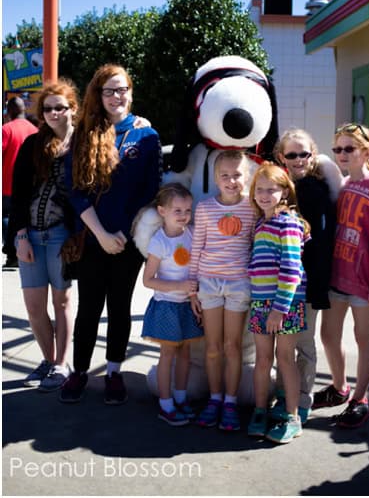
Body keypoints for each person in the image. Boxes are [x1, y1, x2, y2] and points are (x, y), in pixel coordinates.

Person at [60, 64, 162, 404]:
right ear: (98, 96)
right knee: (89, 308)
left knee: (119, 307)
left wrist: (124, 231)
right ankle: (79, 372)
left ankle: (114, 371)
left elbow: (151, 190)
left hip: (128, 240)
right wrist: (102, 233)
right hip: (92, 238)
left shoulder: (147, 136)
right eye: (110, 91)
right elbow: (75, 191)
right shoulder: (84, 133)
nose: (117, 96)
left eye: (123, 90)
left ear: (131, 93)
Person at [314, 123, 369, 428]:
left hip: (365, 282)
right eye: (337, 149)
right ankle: (339, 387)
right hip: (337, 275)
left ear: (366, 152)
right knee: (328, 335)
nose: (341, 154)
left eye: (348, 148)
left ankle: (360, 397)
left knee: (363, 336)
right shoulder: (342, 186)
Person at [8, 81, 77, 391]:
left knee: (62, 302)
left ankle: (62, 363)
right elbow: (19, 193)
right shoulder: (32, 145)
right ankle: (48, 360)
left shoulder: (84, 144)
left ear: (72, 108)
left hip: (64, 234)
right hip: (31, 235)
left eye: (58, 107)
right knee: (34, 306)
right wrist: (18, 235)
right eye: (47, 108)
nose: (52, 113)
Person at [268, 128, 338, 425]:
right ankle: (286, 394)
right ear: (281, 156)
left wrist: (318, 284)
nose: (298, 160)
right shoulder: (278, 188)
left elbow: (321, 242)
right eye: (292, 154)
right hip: (282, 281)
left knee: (303, 343)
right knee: (284, 343)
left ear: (313, 154)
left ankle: (302, 398)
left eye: (304, 154)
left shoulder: (316, 190)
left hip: (308, 280)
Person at [188, 150, 256, 431]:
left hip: (239, 285)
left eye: (237, 175)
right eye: (225, 176)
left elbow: (255, 245)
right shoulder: (204, 208)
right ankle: (214, 399)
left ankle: (230, 401)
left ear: (247, 177)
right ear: (215, 178)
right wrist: (193, 288)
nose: (231, 181)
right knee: (213, 347)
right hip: (209, 284)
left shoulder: (252, 208)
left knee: (232, 346)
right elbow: (196, 247)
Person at [246, 162, 309, 444]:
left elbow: (292, 270)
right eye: (260, 189)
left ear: (284, 192)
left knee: (285, 359)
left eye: (271, 190)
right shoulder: (261, 222)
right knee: (262, 360)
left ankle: (292, 417)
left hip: (286, 305)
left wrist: (279, 309)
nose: (264, 194)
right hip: (260, 303)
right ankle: (260, 411)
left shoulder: (289, 223)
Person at [141, 183, 203, 425]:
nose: (184, 215)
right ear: (162, 211)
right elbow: (148, 281)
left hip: (187, 306)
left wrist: (194, 297)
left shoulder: (191, 234)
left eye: (187, 210)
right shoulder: (159, 242)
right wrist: (179, 287)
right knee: (167, 355)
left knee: (185, 354)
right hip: (167, 306)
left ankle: (180, 398)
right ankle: (165, 404)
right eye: (177, 210)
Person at [3, 96, 38, 268]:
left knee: (7, 218)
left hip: (7, 184)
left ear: (9, 111)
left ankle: (11, 252)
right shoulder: (35, 130)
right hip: (30, 186)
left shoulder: (6, 129)